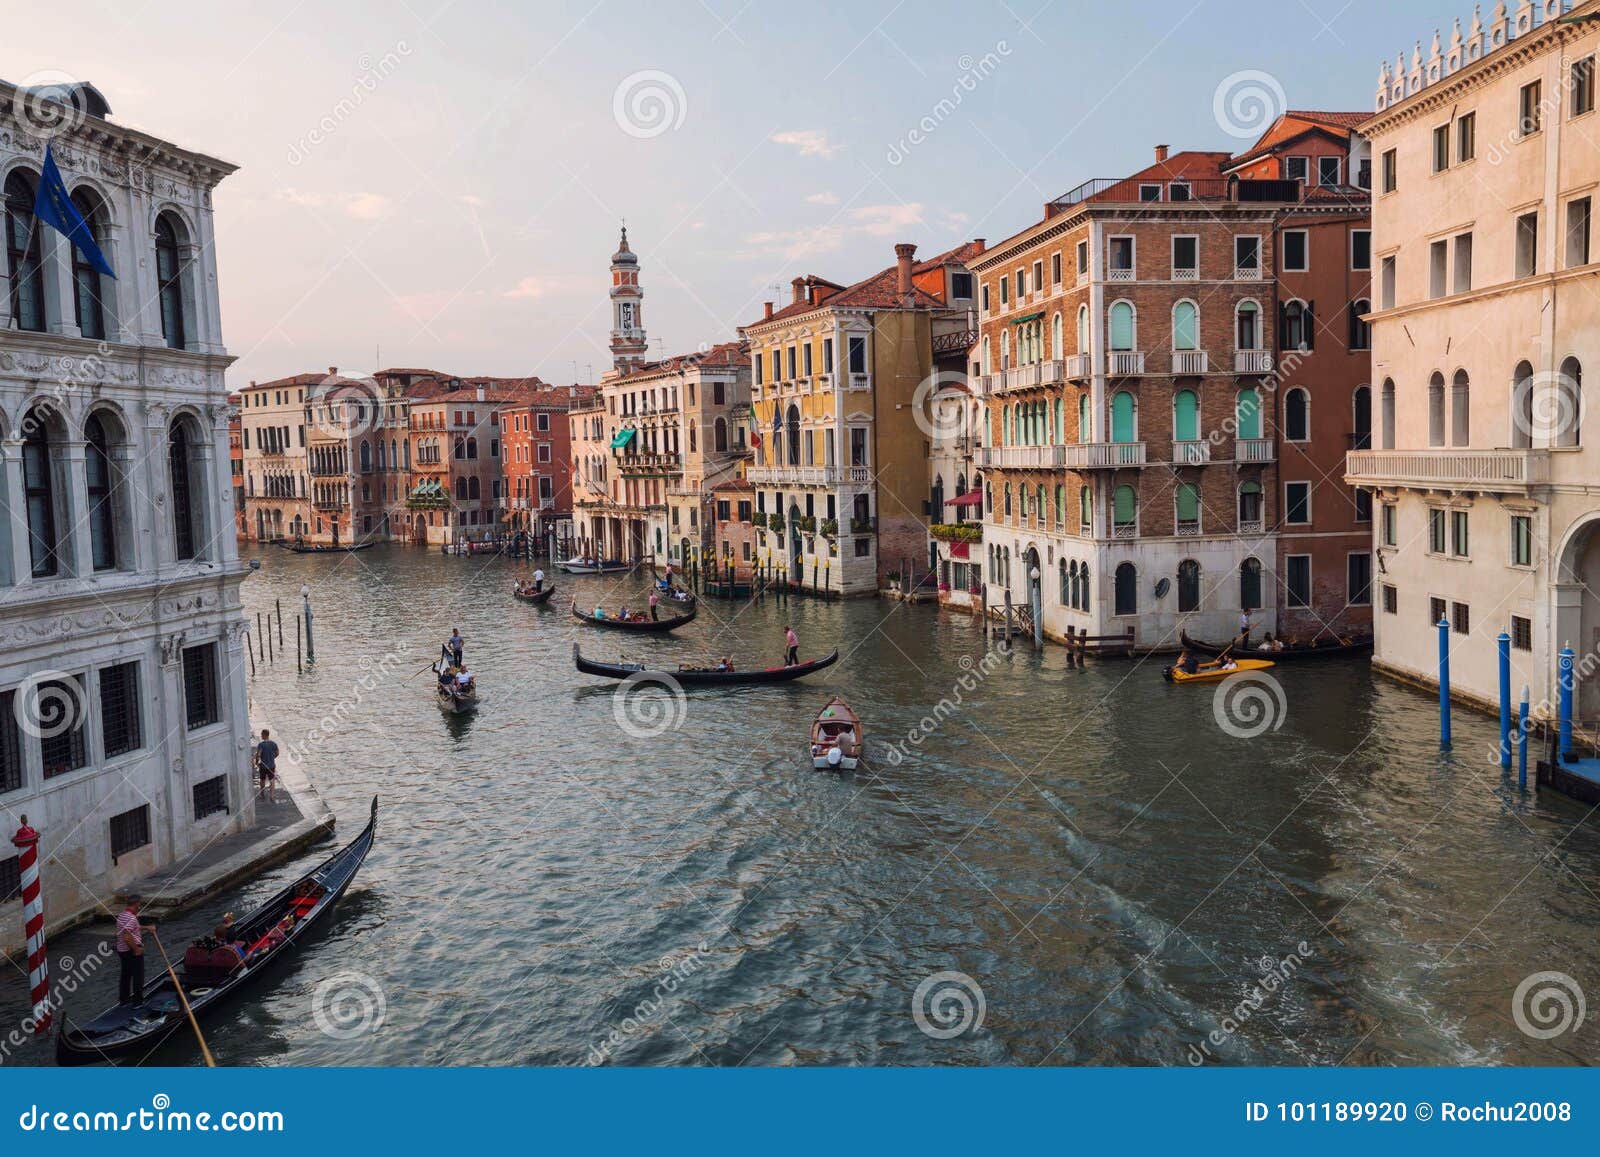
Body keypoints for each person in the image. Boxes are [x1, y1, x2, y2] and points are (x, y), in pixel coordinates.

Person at [115, 895, 154, 1005]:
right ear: (136, 904)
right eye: (139, 904)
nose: (140, 907)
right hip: (131, 951)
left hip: (122, 951)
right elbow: (127, 936)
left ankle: (124, 1000)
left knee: (126, 975)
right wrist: (136, 949)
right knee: (138, 976)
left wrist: (147, 928)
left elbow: (132, 928)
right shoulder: (131, 918)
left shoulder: (123, 915)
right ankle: (138, 1002)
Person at [253, 728, 279, 795]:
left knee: (262, 779)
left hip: (263, 766)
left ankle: (262, 793)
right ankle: (272, 795)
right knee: (272, 779)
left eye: (262, 734)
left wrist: (256, 762)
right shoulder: (274, 744)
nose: (261, 736)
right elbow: (277, 753)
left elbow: (258, 755)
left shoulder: (261, 745)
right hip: (271, 765)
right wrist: (272, 758)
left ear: (264, 735)